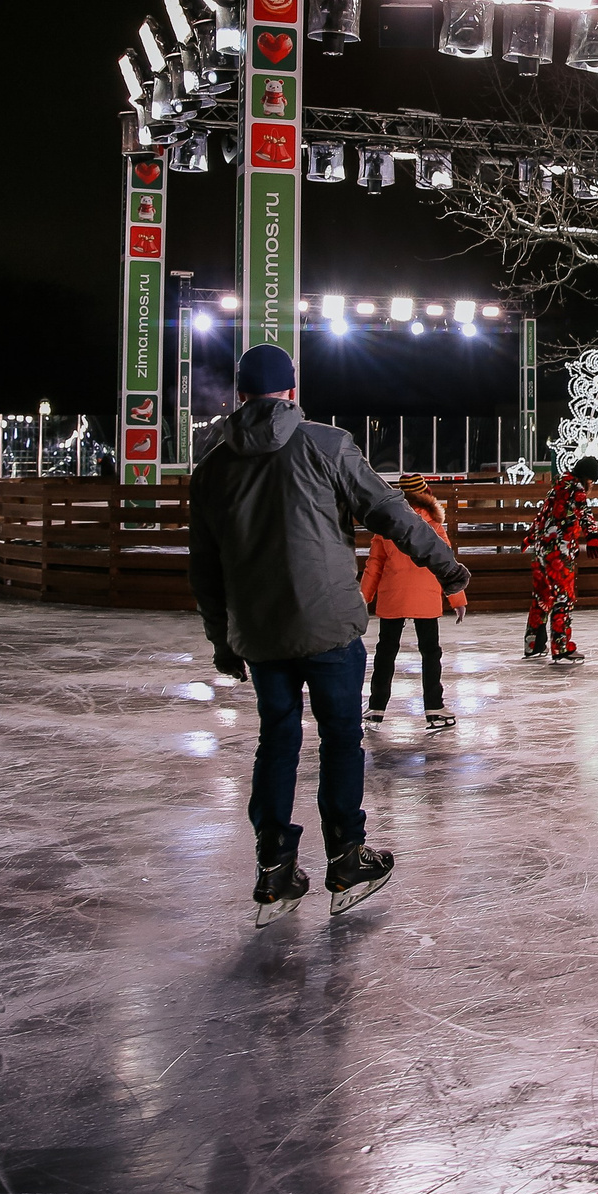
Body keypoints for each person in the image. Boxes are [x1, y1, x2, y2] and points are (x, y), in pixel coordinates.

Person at [189, 344, 470, 922]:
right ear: (292, 391)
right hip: (329, 628)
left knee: (278, 740)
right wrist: (446, 567)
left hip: (261, 634)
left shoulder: (212, 467)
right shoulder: (327, 444)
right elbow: (390, 513)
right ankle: (346, 858)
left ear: (239, 396)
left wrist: (222, 639)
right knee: (341, 738)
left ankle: (274, 870)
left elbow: (204, 567)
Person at [363, 472, 468, 725]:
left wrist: (363, 597)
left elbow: (374, 564)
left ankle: (376, 706)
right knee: (430, 652)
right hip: (426, 598)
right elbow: (447, 564)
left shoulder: (386, 526)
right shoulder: (433, 525)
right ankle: (434, 707)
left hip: (392, 597)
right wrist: (458, 598)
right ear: (427, 495)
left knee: (385, 651)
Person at [522, 457, 598, 661]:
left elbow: (542, 514)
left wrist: (530, 537)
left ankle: (533, 644)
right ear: (587, 478)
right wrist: (592, 536)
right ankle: (561, 647)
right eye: (592, 481)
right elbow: (584, 513)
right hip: (559, 552)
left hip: (541, 550)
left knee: (542, 597)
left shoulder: (558, 486)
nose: (591, 485)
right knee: (563, 598)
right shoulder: (576, 489)